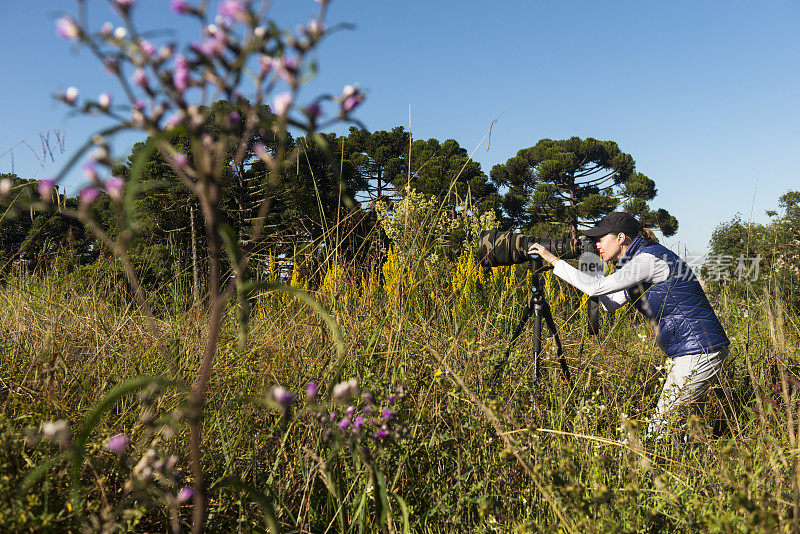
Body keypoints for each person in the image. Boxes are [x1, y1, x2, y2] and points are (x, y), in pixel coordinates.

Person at [529, 212, 729, 440]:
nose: (597, 245)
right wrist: (592, 274)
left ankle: (659, 468)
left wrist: (553, 259)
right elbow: (610, 303)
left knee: (661, 431)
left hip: (697, 350)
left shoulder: (647, 260)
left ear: (621, 237)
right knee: (688, 433)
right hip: (695, 349)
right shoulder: (638, 263)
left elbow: (596, 289)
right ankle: (705, 468)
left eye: (601, 238)